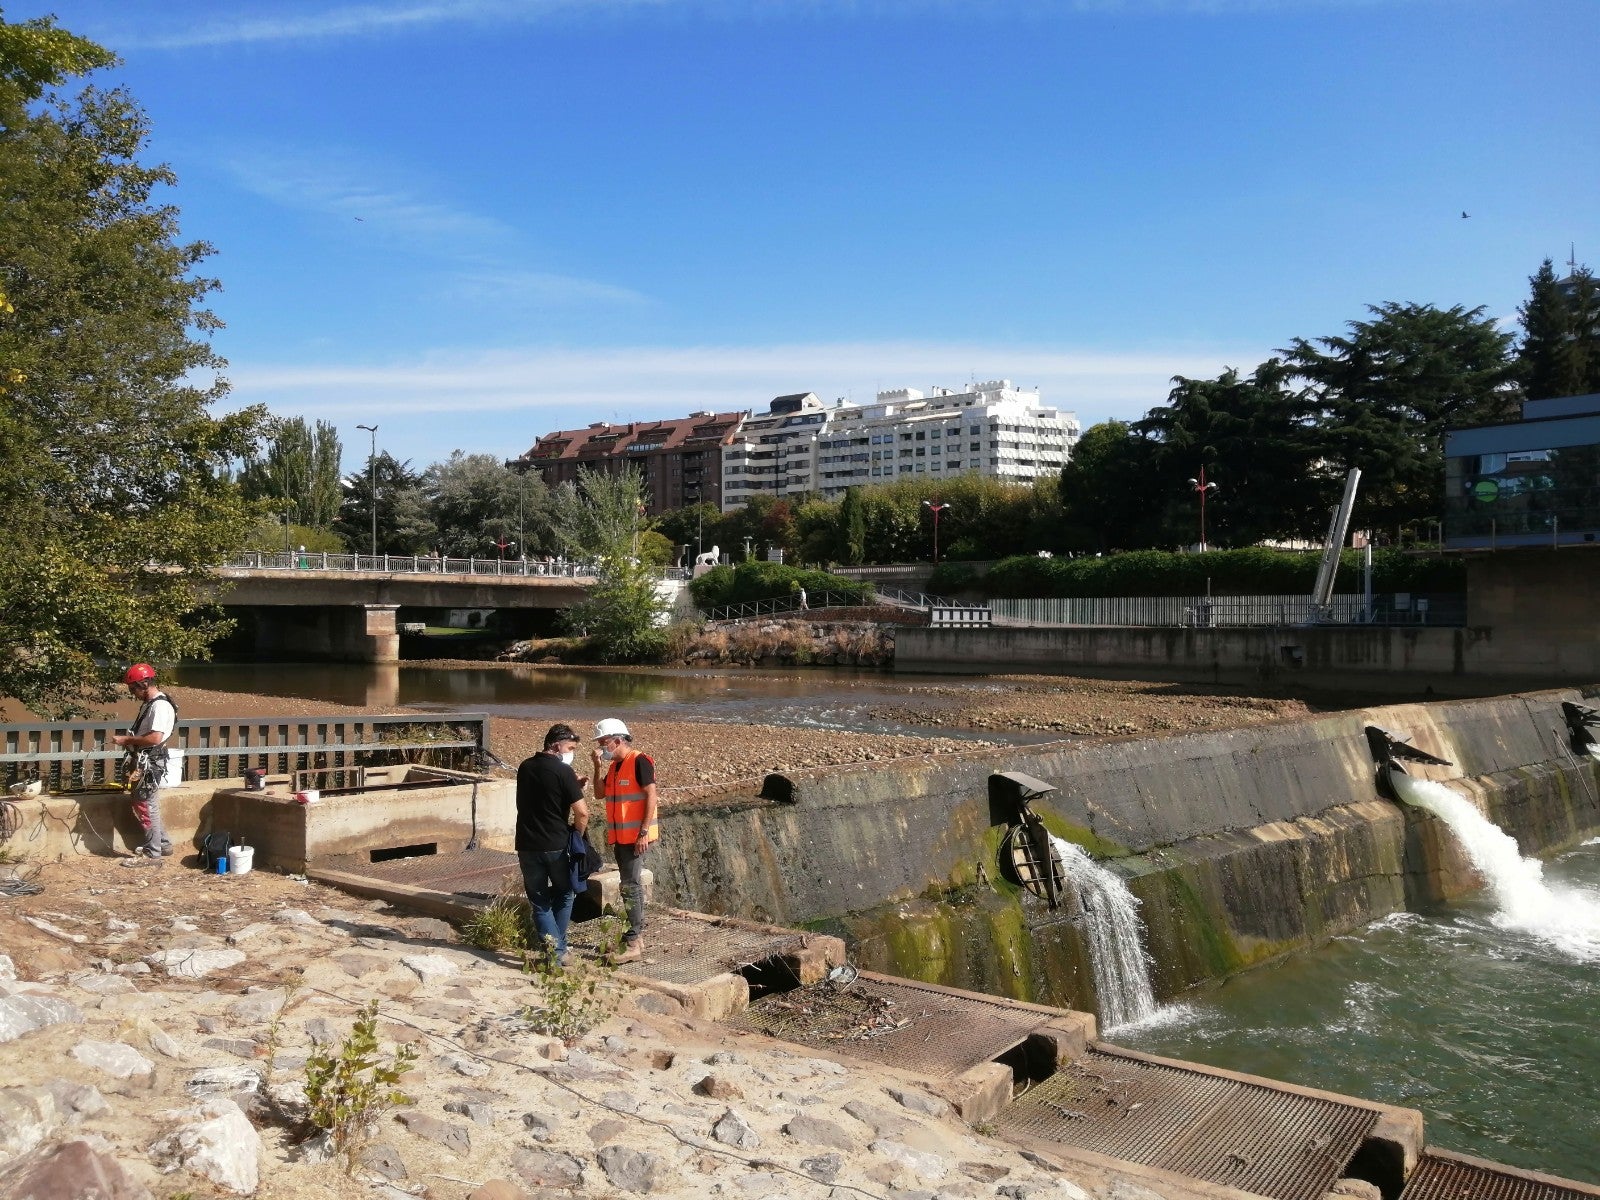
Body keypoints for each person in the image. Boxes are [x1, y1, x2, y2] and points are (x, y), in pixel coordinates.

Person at [516, 723, 590, 964]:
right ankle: (559, 953)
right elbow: (582, 813)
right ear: (556, 745)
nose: (572, 752)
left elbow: (538, 797)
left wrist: (570, 787)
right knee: (565, 893)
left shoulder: (525, 767)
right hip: (556, 844)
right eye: (571, 747)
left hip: (527, 844)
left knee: (539, 901)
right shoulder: (563, 772)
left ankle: (557, 952)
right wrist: (578, 836)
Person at [591, 717, 658, 963]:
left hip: (635, 837)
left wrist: (643, 832)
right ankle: (635, 937)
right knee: (630, 884)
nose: (600, 746)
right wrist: (597, 766)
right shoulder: (615, 767)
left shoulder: (640, 760)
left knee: (630, 886)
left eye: (603, 742)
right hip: (622, 837)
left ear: (617, 740)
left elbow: (652, 796)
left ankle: (633, 941)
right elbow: (599, 794)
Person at [111, 663, 181, 863]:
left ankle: (153, 853)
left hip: (150, 761)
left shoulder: (159, 706)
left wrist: (127, 740)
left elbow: (154, 738)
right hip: (147, 760)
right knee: (145, 803)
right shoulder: (153, 703)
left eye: (133, 688)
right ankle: (163, 844)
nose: (132, 693)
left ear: (144, 683)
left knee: (146, 805)